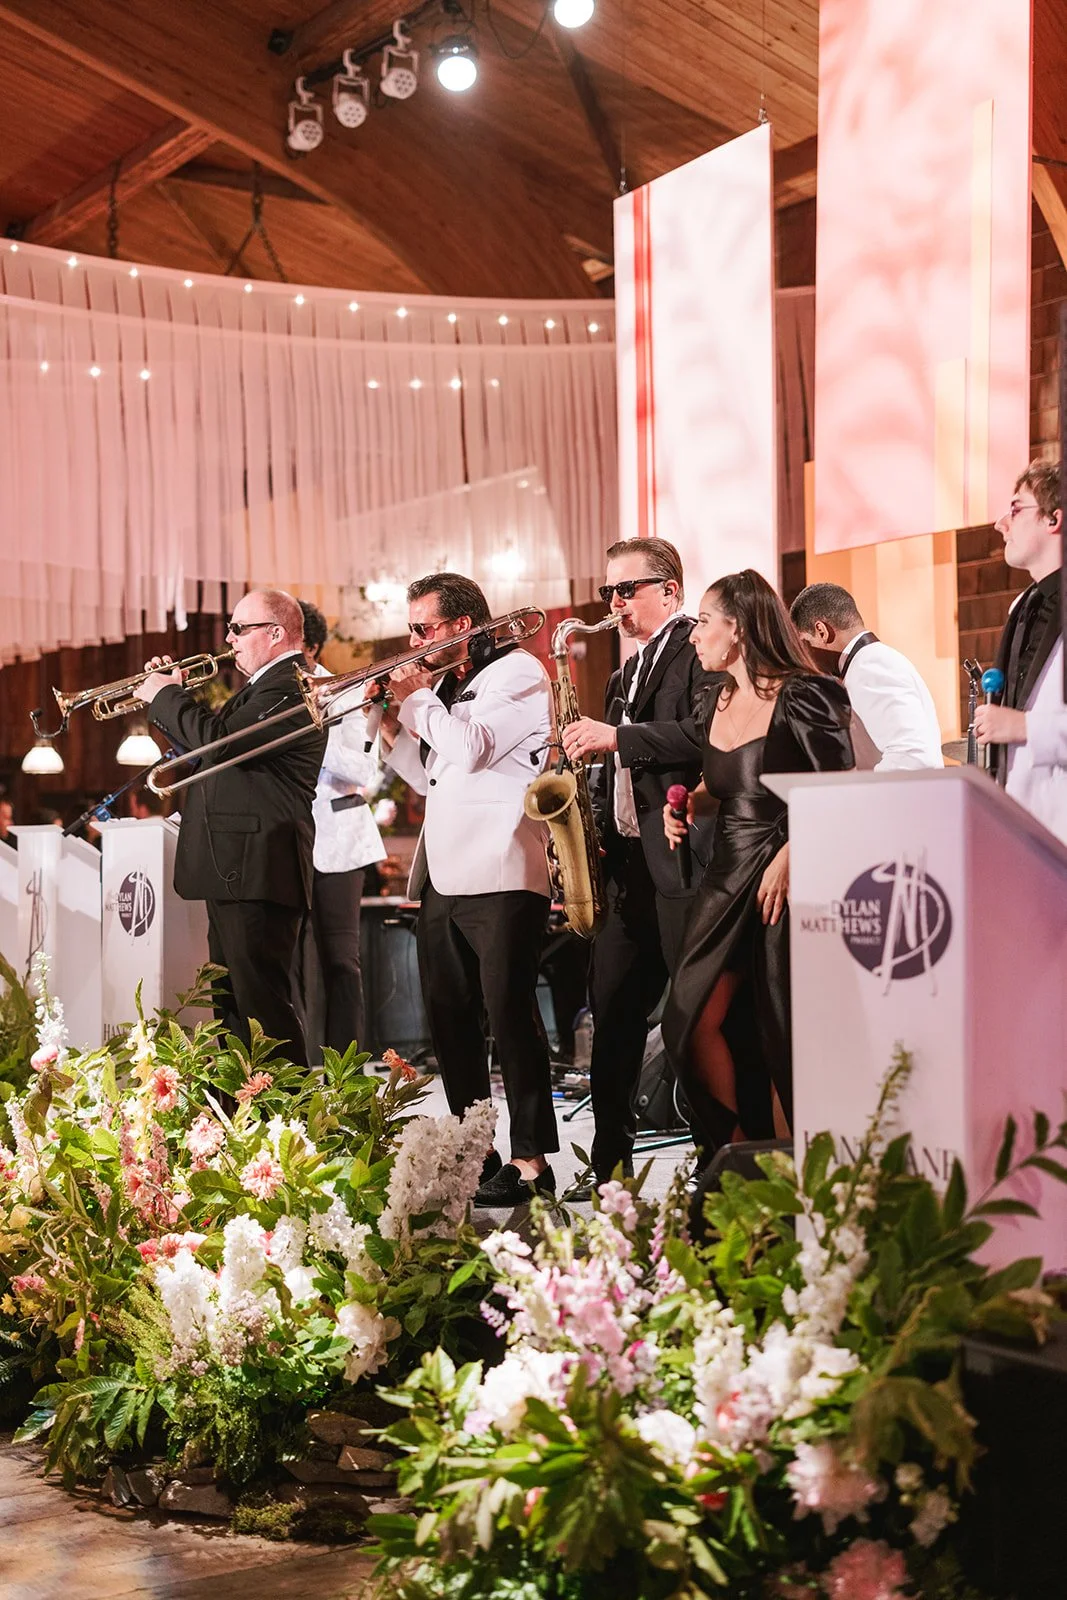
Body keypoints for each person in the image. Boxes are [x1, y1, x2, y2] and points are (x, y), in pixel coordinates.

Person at [661, 569, 854, 1155]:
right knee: (688, 1024)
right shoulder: (713, 696)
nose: (695, 634)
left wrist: (795, 850)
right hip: (726, 875)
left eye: (703, 621)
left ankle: (803, 1179)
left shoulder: (806, 693)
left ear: (738, 627)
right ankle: (741, 1159)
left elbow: (838, 787)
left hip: (786, 877)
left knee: (780, 1034)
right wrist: (690, 802)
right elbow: (727, 783)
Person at [380, 572, 557, 1207]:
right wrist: (391, 727)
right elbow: (434, 777)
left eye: (423, 629)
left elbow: (475, 747)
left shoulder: (517, 672)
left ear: (461, 626)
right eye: (410, 629)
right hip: (446, 876)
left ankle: (532, 1159)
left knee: (510, 1016)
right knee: (451, 1021)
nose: (414, 641)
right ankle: (473, 1148)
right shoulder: (447, 686)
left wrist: (415, 702)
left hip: (503, 868)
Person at [560, 536, 723, 1182]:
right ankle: (608, 1167)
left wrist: (617, 738)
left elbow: (704, 736)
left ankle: (715, 1165)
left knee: (690, 1023)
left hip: (682, 863)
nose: (614, 604)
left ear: (670, 592)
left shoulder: (695, 649)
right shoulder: (621, 675)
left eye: (626, 590)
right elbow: (615, 775)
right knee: (613, 1019)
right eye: (608, 591)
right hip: (628, 868)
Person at [136, 589, 325, 1066]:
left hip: (258, 863)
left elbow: (221, 745)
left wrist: (166, 696)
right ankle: (252, 1121)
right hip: (236, 866)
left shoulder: (288, 682)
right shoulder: (262, 685)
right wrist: (173, 697)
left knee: (264, 1009)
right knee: (234, 1009)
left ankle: (293, 1124)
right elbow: (218, 754)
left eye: (240, 628)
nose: (229, 639)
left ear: (277, 633)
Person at [297, 599, 387, 1058]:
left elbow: (364, 769)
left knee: (340, 961)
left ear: (310, 646)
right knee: (290, 964)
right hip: (287, 838)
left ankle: (345, 1072)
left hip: (338, 840)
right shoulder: (270, 695)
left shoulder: (348, 693)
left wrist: (315, 729)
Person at [974, 459, 1067, 844]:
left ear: (1053, 520)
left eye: (1016, 509)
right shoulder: (1021, 608)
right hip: (1027, 828)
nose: (1000, 524)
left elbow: (1024, 723)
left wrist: (1024, 726)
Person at [790, 583, 943, 770]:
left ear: (822, 631)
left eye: (805, 644)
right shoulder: (869, 662)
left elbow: (912, 757)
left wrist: (859, 793)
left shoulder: (870, 665)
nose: (805, 657)